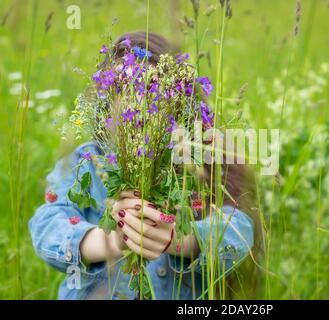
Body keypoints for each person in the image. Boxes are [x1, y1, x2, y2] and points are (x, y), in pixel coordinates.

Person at [29, 31, 263, 300]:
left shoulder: (195, 158)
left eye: (150, 91)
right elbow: (47, 224)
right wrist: (111, 241)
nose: (136, 103)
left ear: (178, 103)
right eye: (123, 90)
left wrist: (181, 239)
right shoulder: (85, 161)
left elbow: (240, 228)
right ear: (106, 102)